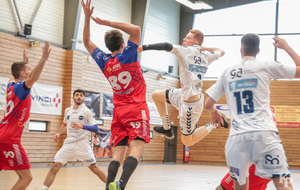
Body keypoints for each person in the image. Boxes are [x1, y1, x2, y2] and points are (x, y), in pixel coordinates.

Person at [205, 34, 300, 190]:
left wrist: (213, 112)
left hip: (237, 140)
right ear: (258, 50)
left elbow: (208, 103)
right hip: (265, 136)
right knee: (283, 185)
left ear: (241, 49)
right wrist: (287, 47)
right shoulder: (266, 66)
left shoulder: (227, 72)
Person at [81, 1, 150, 190]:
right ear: (122, 44)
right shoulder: (128, 55)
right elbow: (135, 29)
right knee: (136, 149)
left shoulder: (104, 60)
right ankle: (121, 184)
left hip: (118, 111)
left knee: (117, 154)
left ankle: (108, 186)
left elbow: (86, 42)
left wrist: (87, 18)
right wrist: (107, 23)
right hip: (136, 107)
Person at [139, 30, 228, 146]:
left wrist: (143, 48)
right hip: (183, 95)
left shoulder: (185, 50)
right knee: (156, 95)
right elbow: (221, 51)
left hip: (191, 105)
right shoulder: (206, 55)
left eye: (188, 38)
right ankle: (167, 129)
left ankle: (216, 124)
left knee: (187, 142)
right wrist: (203, 48)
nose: (184, 40)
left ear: (195, 42)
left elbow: (166, 45)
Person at [0, 43, 51, 190]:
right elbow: (33, 77)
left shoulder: (10, 86)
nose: (31, 71)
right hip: (10, 138)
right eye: (28, 70)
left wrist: (24, 65)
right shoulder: (20, 89)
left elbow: (15, 74)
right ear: (22, 74)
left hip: (2, 134)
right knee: (26, 178)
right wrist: (43, 59)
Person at [41, 89, 107, 190]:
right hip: (69, 143)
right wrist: (58, 133)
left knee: (93, 168)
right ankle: (43, 189)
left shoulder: (87, 111)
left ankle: (112, 186)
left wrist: (82, 126)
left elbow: (96, 128)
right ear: (73, 98)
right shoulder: (68, 110)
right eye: (77, 95)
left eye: (81, 95)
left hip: (82, 144)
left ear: (84, 98)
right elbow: (64, 124)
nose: (79, 97)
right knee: (55, 166)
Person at [216, 108, 276, 190]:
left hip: (255, 163)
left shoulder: (251, 112)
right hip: (273, 161)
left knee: (223, 188)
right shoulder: (268, 110)